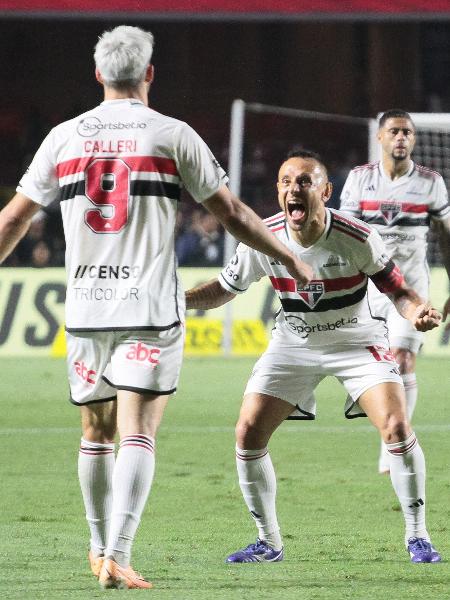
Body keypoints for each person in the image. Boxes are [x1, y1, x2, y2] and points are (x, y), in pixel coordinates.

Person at [0, 26, 312, 590]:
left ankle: (98, 549)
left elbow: (13, 219)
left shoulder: (62, 138)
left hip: (87, 308)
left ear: (97, 75)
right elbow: (234, 213)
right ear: (149, 73)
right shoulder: (171, 134)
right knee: (137, 430)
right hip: (148, 305)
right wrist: (288, 256)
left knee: (95, 431)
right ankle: (118, 552)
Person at [185, 149, 442, 564]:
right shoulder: (261, 237)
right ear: (278, 191)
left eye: (304, 182)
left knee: (396, 426)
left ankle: (419, 535)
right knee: (248, 432)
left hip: (356, 340)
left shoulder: (356, 236)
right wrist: (180, 300)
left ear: (325, 190)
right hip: (294, 343)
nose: (293, 190)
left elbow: (399, 291)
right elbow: (223, 289)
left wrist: (418, 312)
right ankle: (268, 542)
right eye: (286, 182)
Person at [340, 109, 450, 473]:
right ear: (380, 137)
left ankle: (394, 441)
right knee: (377, 365)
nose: (401, 138)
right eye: (394, 131)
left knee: (403, 359)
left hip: (411, 289)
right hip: (368, 288)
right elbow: (345, 235)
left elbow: (446, 238)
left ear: (414, 140)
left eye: (407, 132)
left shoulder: (431, 183)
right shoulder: (359, 180)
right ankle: (390, 426)